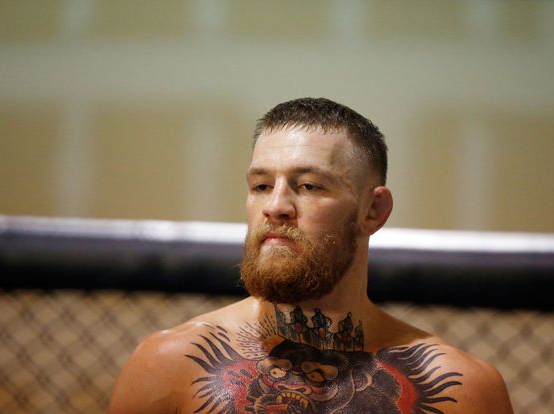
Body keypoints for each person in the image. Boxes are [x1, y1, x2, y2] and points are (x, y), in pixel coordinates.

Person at [108, 97, 514, 413]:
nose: (276, 207)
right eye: (261, 185)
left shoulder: (462, 387)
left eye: (309, 186)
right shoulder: (169, 364)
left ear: (373, 211)